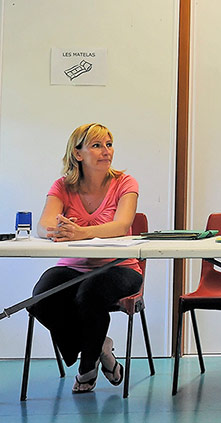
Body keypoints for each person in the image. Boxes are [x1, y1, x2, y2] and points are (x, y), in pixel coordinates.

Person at [27, 123, 142, 393]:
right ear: (78, 154)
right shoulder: (62, 186)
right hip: (73, 265)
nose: (106, 151)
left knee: (89, 294)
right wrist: (57, 229)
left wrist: (79, 232)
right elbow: (43, 226)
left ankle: (86, 368)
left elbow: (120, 225)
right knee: (41, 297)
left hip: (120, 267)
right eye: (97, 145)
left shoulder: (125, 183)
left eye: (109, 144)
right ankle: (100, 345)